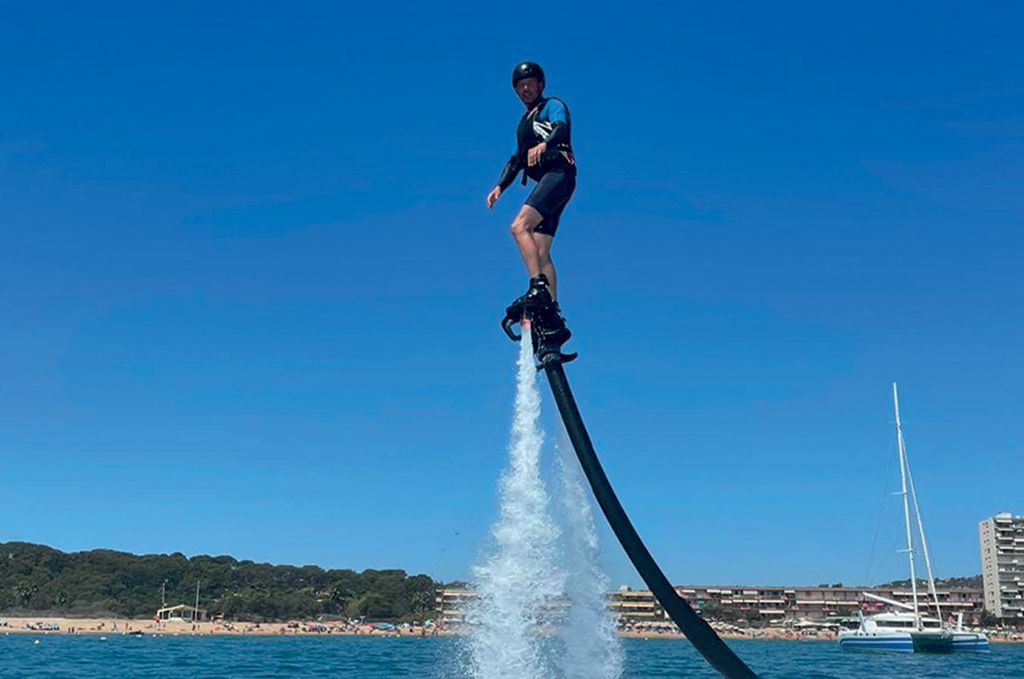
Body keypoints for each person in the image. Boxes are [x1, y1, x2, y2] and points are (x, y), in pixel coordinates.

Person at [487, 61, 576, 345]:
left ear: (540, 85)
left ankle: (538, 287)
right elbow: (515, 160)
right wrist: (500, 185)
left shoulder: (552, 106)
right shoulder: (524, 124)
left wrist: (545, 144)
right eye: (520, 86)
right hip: (552, 181)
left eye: (530, 84)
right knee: (540, 249)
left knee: (518, 227)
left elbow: (562, 127)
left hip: (559, 173)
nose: (525, 89)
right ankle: (552, 311)